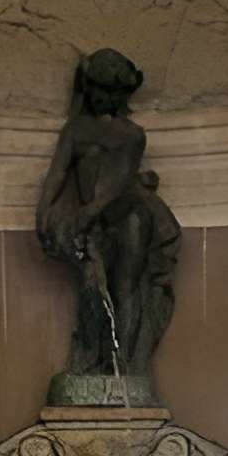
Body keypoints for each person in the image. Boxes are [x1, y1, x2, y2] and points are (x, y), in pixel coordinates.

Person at [35, 48, 180, 390]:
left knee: (126, 288)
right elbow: (57, 174)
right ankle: (93, 361)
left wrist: (88, 212)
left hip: (129, 214)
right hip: (94, 220)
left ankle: (125, 369)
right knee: (94, 286)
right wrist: (43, 213)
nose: (103, 98)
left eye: (111, 92)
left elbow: (119, 183)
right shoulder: (76, 131)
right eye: (98, 90)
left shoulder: (132, 135)